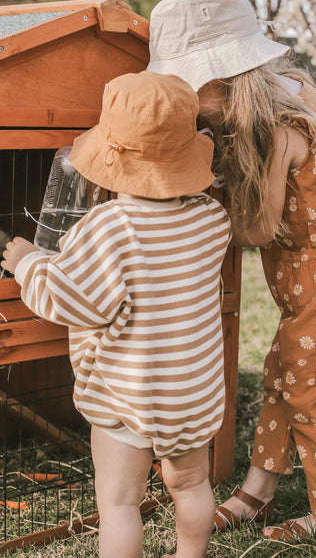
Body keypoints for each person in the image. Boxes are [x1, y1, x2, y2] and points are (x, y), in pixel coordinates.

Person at [146, 0, 316, 543]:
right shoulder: (296, 90)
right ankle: (257, 493)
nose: (189, 106)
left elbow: (258, 228)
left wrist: (201, 203)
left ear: (219, 77)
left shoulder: (272, 129)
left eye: (190, 91)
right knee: (286, 372)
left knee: (312, 392)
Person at [1, 72, 231, 558]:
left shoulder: (108, 228)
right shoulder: (212, 220)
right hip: (192, 392)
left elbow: (69, 299)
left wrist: (28, 264)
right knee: (190, 485)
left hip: (127, 397)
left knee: (120, 502)